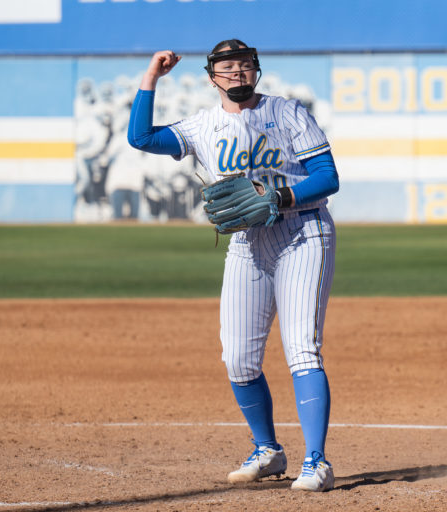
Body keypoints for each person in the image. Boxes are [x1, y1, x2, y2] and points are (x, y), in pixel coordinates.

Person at [127, 39, 339, 492]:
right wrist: (151, 77)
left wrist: (281, 196)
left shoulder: (287, 113)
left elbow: (328, 177)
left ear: (255, 69)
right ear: (212, 78)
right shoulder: (202, 126)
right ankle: (268, 450)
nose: (237, 72)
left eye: (244, 64)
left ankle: (317, 462)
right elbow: (140, 138)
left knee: (302, 348)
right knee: (239, 359)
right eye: (227, 67)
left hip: (303, 231)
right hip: (247, 240)